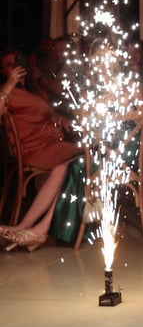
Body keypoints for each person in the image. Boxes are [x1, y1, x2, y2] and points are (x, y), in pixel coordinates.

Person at [0, 50, 82, 251]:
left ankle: (26, 228)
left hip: (54, 143)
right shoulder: (6, 91)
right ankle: (38, 229)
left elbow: (49, 113)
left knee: (72, 164)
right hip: (34, 148)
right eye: (9, 65)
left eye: (18, 62)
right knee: (82, 159)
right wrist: (10, 84)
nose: (15, 67)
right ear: (3, 71)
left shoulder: (35, 90)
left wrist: (61, 119)